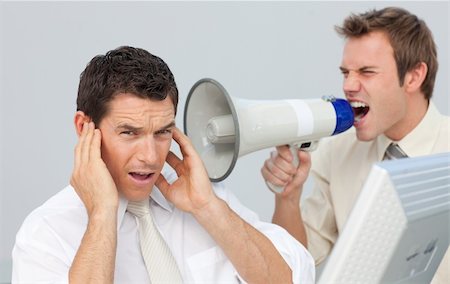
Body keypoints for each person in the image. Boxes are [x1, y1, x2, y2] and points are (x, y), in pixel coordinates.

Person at [12, 46, 314, 283]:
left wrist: (208, 208)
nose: (150, 155)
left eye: (162, 132)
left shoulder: (207, 200)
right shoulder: (46, 233)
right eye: (129, 133)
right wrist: (103, 215)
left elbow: (291, 278)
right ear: (84, 128)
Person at [260, 6, 449, 283]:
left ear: (413, 76)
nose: (348, 85)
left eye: (366, 72)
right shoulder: (336, 150)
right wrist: (288, 196)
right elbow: (294, 265)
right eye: (345, 72)